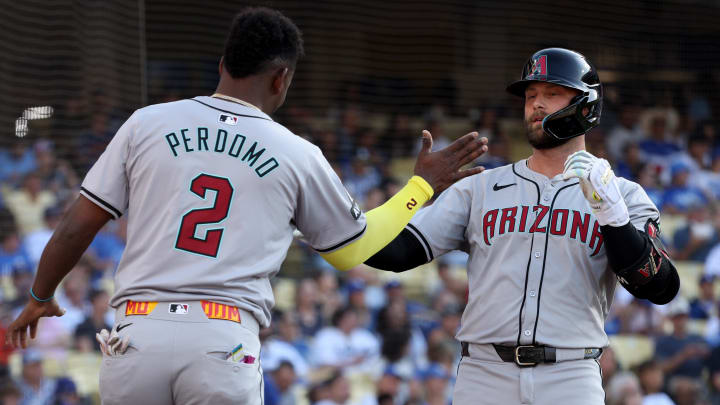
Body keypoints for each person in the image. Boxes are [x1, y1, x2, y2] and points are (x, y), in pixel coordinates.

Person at [5, 7, 487, 405]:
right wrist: (421, 186)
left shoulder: (147, 123)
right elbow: (348, 251)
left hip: (137, 334)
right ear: (282, 79)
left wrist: (40, 296)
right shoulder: (296, 151)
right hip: (222, 339)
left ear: (222, 64)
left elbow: (76, 225)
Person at [364, 48, 680, 404]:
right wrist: (404, 195)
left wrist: (613, 217)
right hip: (484, 374)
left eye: (552, 93)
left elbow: (660, 286)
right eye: (531, 96)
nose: (537, 105)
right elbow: (396, 252)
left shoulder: (623, 194)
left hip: (571, 375)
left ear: (587, 104)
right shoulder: (479, 187)